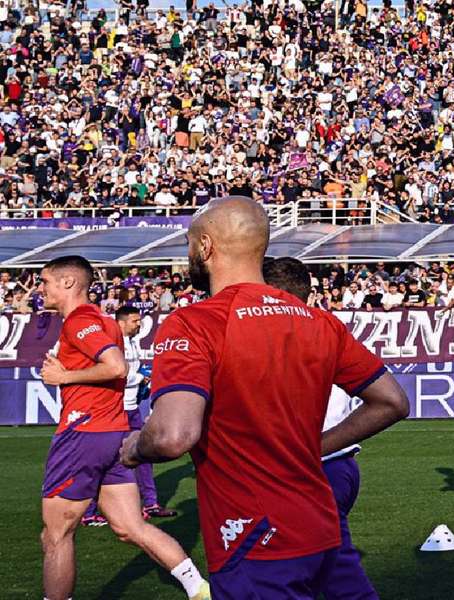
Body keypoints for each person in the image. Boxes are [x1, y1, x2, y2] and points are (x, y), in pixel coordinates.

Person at [118, 197, 409, 599]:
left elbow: (172, 435)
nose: (188, 254)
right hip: (321, 522)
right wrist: (314, 447)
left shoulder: (195, 322)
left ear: (205, 246)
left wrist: (134, 448)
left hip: (252, 533)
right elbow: (392, 401)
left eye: (189, 243)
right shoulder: (319, 321)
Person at [37, 255, 209, 600]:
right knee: (131, 527)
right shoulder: (102, 319)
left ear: (69, 282)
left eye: (45, 282)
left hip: (83, 435)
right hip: (113, 435)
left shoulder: (79, 321)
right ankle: (199, 588)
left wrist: (63, 376)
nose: (41, 289)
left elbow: (117, 367)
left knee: (55, 536)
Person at [262, 256, 379, 600]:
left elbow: (393, 402)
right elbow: (389, 400)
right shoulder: (329, 328)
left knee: (329, 581)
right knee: (312, 574)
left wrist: (309, 451)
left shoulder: (274, 335)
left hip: (309, 472)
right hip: (340, 468)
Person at [81, 305, 178, 527]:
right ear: (121, 323)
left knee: (143, 454)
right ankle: (90, 511)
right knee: (106, 459)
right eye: (135, 321)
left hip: (132, 408)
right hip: (114, 409)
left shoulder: (132, 342)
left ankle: (150, 503)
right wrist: (138, 377)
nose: (139, 324)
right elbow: (113, 372)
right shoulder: (110, 343)